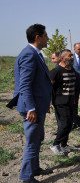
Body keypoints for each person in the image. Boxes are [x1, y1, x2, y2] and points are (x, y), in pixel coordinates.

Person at [13, 24, 53, 182]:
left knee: (38, 139)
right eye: (45, 35)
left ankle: (34, 168)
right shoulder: (29, 54)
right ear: (38, 37)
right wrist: (31, 108)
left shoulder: (36, 53)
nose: (48, 38)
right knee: (32, 142)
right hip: (32, 107)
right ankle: (26, 177)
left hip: (38, 105)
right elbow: (25, 85)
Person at [49, 49, 78, 154]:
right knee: (65, 124)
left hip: (71, 101)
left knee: (70, 124)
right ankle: (55, 144)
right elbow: (48, 87)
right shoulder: (56, 71)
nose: (72, 57)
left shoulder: (71, 70)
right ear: (62, 58)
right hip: (60, 102)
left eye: (72, 55)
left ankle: (64, 145)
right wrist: (48, 103)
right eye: (70, 56)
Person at [51, 51, 80, 135]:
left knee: (68, 115)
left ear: (60, 58)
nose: (52, 60)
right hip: (59, 98)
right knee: (61, 115)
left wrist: (73, 93)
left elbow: (76, 80)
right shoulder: (57, 69)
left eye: (54, 58)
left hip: (66, 98)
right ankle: (61, 131)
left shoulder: (68, 68)